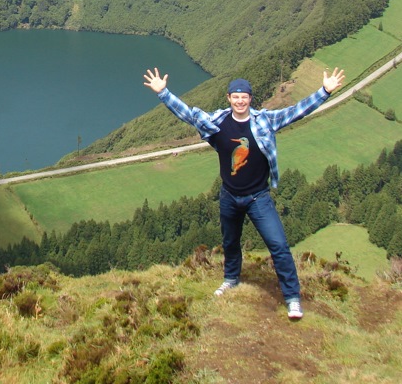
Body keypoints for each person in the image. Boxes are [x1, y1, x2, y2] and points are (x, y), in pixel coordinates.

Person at [143, 66, 346, 320]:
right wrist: (163, 93)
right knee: (230, 242)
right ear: (228, 99)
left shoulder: (264, 121)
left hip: (258, 197)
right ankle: (230, 279)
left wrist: (325, 91)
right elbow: (189, 115)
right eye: (235, 96)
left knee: (279, 245)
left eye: (244, 97)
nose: (240, 101)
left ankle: (293, 298)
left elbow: (296, 112)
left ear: (250, 99)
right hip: (229, 196)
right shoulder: (218, 123)